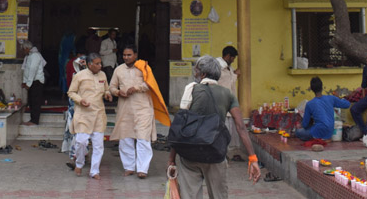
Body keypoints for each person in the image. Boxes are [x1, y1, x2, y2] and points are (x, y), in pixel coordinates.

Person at [168, 56, 261, 199]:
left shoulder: (191, 90)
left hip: (189, 154)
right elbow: (241, 127)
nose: (195, 74)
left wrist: (172, 160)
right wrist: (253, 158)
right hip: (215, 152)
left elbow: (180, 127)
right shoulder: (228, 94)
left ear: (203, 74)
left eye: (196, 71)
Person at [109, 45, 170, 178]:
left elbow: (150, 84)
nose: (126, 57)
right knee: (125, 138)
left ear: (135, 55)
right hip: (125, 109)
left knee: (143, 138)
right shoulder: (118, 70)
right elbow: (112, 87)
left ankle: (142, 169)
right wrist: (118, 92)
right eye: (124, 55)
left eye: (129, 55)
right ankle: (129, 167)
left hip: (143, 108)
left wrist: (135, 88)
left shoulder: (144, 67)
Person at [67, 53, 112, 179]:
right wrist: (80, 100)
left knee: (98, 145)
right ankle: (79, 163)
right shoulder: (79, 76)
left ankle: (94, 171)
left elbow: (106, 89)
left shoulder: (102, 75)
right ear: (89, 64)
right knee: (81, 142)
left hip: (98, 114)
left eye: (100, 63)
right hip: (83, 114)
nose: (100, 66)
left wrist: (107, 94)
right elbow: (71, 92)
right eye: (97, 64)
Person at [295, 77, 351, 142]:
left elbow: (305, 124)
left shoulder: (309, 104)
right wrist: (338, 97)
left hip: (318, 131)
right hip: (330, 132)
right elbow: (347, 104)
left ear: (312, 89)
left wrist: (301, 124)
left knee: (298, 132)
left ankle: (317, 137)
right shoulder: (331, 98)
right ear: (322, 87)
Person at [217, 46, 241, 158]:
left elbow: (229, 83)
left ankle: (225, 153)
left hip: (228, 104)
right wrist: (235, 75)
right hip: (220, 103)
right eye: (232, 58)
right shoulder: (218, 67)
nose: (233, 60)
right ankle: (221, 153)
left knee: (228, 132)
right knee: (222, 131)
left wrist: (235, 74)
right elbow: (224, 84)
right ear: (227, 56)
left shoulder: (229, 68)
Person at [21, 41, 46, 126]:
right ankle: (32, 119)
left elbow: (32, 70)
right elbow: (26, 70)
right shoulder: (29, 56)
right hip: (32, 82)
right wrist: (25, 82)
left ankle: (35, 121)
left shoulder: (35, 56)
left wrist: (28, 84)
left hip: (37, 82)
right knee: (31, 101)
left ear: (27, 48)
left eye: (24, 50)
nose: (24, 51)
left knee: (35, 102)